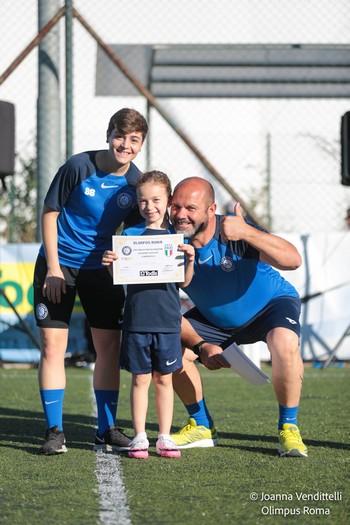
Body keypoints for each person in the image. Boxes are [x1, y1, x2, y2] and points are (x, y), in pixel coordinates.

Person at [33, 107, 148, 454]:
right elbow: (50, 213)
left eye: (133, 140)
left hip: (103, 269)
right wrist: (54, 267)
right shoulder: (78, 166)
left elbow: (135, 232)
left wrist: (125, 263)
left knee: (108, 350)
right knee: (53, 347)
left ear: (141, 144)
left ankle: (105, 429)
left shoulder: (135, 183)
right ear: (108, 133)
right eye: (119, 136)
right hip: (59, 266)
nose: (124, 145)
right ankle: (55, 430)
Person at [169, 176, 308, 457]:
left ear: (211, 210)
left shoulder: (232, 231)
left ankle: (288, 428)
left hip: (270, 306)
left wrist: (247, 232)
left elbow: (293, 260)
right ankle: (202, 425)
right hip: (215, 319)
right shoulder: (164, 241)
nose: (181, 215)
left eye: (190, 208)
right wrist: (200, 345)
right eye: (175, 206)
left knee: (284, 342)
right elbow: (164, 310)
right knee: (168, 347)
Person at [102, 171, 195, 459]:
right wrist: (110, 264)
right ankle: (140, 436)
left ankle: (164, 436)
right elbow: (120, 276)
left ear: (168, 201)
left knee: (164, 379)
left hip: (167, 321)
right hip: (136, 320)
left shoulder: (176, 238)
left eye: (156, 199)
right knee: (140, 379)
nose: (149, 206)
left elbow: (184, 283)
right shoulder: (128, 236)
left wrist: (189, 260)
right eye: (143, 200)